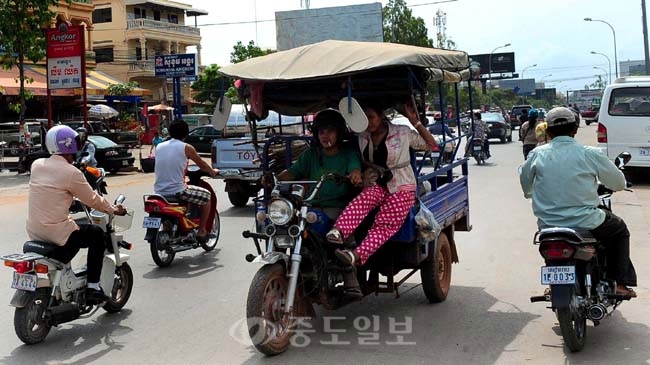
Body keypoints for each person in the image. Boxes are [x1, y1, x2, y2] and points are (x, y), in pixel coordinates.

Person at [519, 107, 637, 298]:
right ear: (575, 129)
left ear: (548, 131)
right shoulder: (589, 153)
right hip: (587, 221)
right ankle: (620, 283)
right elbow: (618, 183)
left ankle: (554, 283)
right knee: (619, 229)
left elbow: (526, 185)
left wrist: (532, 193)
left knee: (551, 245)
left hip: (549, 224)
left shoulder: (536, 154)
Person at [326, 101, 438, 272]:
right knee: (362, 200)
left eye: (371, 117)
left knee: (384, 223)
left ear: (381, 116)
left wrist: (414, 121)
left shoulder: (402, 132)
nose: (369, 122)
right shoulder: (362, 135)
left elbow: (432, 145)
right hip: (376, 182)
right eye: (365, 118)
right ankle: (338, 231)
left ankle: (355, 255)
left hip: (402, 185)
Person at [26, 125, 127, 304]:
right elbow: (93, 199)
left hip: (34, 231)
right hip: (56, 233)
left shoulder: (37, 165)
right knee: (96, 235)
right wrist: (113, 209)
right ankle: (93, 287)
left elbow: (50, 191)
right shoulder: (71, 172)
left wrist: (70, 201)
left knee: (75, 225)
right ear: (70, 145)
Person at [275, 109, 362, 220]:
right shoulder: (310, 155)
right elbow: (293, 172)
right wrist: (273, 178)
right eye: (321, 132)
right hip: (309, 206)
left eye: (330, 131)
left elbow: (354, 168)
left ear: (339, 133)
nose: (325, 136)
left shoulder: (349, 154)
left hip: (336, 207)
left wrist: (355, 174)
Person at [154, 120, 219, 242]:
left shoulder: (159, 146)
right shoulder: (186, 147)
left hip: (159, 192)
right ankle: (202, 231)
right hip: (178, 191)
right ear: (186, 133)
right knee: (207, 196)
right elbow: (202, 164)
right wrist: (212, 171)